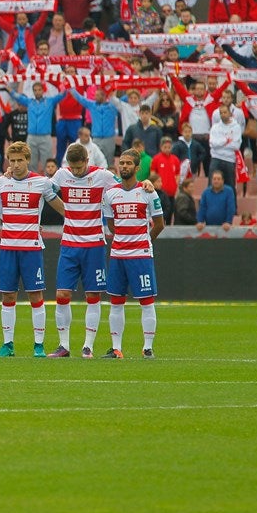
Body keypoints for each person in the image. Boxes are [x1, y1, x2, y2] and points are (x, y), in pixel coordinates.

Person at [0, 141, 65, 358]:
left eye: (20, 160)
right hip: (8, 248)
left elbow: (59, 206)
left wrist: (77, 219)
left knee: (35, 295)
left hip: (31, 248)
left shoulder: (41, 183)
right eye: (12, 160)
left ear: (28, 160)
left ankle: (38, 345)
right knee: (8, 296)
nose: (16, 164)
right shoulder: (3, 181)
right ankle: (7, 345)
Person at [49, 143, 125, 358]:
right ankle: (63, 345)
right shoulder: (62, 175)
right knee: (62, 294)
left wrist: (145, 185)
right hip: (69, 244)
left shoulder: (102, 176)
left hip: (93, 244)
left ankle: (88, 346)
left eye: (79, 168)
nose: (76, 172)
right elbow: (43, 190)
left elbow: (125, 187)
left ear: (87, 161)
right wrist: (63, 209)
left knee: (93, 295)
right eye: (73, 168)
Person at [101, 149, 164, 359]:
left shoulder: (148, 192)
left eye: (129, 163)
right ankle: (116, 348)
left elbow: (160, 223)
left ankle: (147, 347)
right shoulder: (111, 194)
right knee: (116, 301)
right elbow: (111, 225)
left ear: (137, 168)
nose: (124, 166)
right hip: (118, 254)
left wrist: (144, 241)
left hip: (141, 255)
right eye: (122, 163)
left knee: (146, 301)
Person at [209, 105, 242, 193]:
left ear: (230, 113)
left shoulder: (236, 127)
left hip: (229, 159)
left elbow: (236, 146)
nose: (223, 115)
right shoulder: (215, 127)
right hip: (216, 158)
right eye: (221, 113)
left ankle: (232, 206)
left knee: (230, 187)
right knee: (211, 185)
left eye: (225, 112)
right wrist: (226, 141)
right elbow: (212, 144)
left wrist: (219, 143)